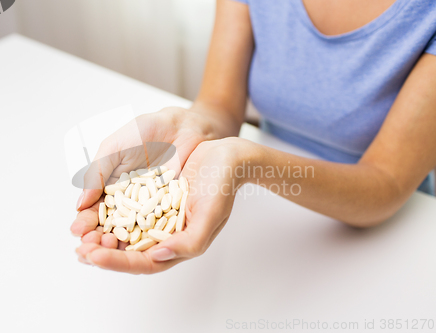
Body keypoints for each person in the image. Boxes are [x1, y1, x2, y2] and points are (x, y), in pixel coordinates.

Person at [71, 0, 436, 274]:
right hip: (272, 204)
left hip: (402, 228)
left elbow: (386, 181)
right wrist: (187, 126)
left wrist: (249, 161)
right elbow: (219, 104)